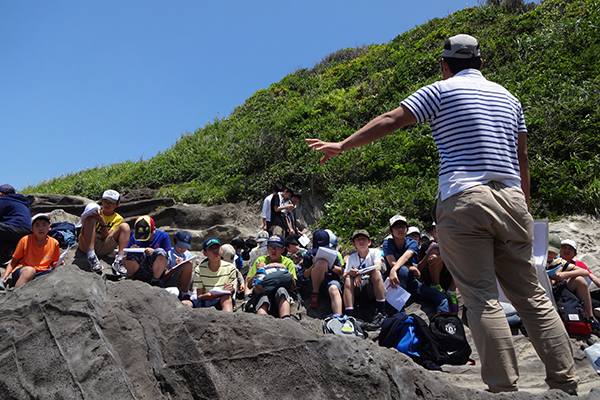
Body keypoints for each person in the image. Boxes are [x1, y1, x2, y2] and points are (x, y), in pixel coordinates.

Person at [306, 34, 578, 394]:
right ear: (481, 64)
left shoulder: (439, 90)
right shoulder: (511, 99)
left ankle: (503, 389)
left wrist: (342, 144)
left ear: (445, 66)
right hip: (512, 199)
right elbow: (522, 157)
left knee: (481, 297)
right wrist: (523, 205)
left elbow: (391, 119)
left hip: (464, 199)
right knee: (533, 296)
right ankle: (565, 382)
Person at [383, 215, 448, 314]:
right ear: (390, 231)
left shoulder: (412, 242)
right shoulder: (387, 244)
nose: (400, 229)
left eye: (403, 226)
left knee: (441, 297)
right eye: (396, 227)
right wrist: (410, 268)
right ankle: (399, 312)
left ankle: (443, 320)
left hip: (411, 282)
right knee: (403, 270)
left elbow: (406, 256)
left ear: (407, 229)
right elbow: (392, 263)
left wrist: (395, 269)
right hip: (394, 282)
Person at [546, 235, 599, 333]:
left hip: (562, 290)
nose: (550, 254)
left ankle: (590, 318)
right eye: (564, 248)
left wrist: (564, 275)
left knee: (579, 280)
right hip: (543, 291)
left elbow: (586, 272)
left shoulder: (560, 262)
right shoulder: (536, 260)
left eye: (553, 251)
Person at [78, 190, 131, 274]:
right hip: (88, 244)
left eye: (111, 202)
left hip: (103, 245)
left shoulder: (118, 218)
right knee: (90, 219)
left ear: (117, 204)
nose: (107, 205)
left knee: (125, 227)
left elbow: (105, 237)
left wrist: (102, 223)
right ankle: (91, 256)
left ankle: (120, 260)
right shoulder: (95, 211)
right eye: (105, 202)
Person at [2, 213, 61, 288]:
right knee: (30, 271)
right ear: (32, 229)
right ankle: (16, 294)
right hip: (24, 271)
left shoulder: (54, 243)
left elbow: (54, 262)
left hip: (43, 272)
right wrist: (5, 276)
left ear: (49, 227)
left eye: (44, 225)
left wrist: (60, 263)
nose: (41, 228)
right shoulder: (25, 240)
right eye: (37, 225)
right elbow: (14, 261)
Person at [245, 234, 297, 319]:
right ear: (267, 248)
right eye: (270, 247)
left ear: (283, 249)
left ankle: (286, 320)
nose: (273, 250)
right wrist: (258, 271)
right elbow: (249, 285)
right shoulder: (260, 260)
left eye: (277, 247)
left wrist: (287, 273)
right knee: (263, 297)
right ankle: (262, 320)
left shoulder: (288, 262)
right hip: (263, 293)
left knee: (282, 291)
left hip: (280, 296)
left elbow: (293, 287)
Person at [342, 229, 386, 327]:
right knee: (348, 279)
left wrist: (360, 274)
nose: (361, 241)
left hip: (371, 286)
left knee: (376, 274)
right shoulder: (351, 258)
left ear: (369, 242)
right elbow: (344, 275)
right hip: (357, 287)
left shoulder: (375, 252)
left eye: (364, 239)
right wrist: (351, 273)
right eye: (358, 240)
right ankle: (350, 315)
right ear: (354, 244)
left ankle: (382, 312)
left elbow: (378, 267)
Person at [183, 238, 236, 311]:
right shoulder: (200, 269)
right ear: (205, 253)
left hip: (222, 300)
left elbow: (232, 291)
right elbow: (199, 296)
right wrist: (207, 296)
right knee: (184, 304)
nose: (215, 250)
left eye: (217, 247)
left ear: (221, 249)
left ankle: (227, 319)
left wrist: (231, 288)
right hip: (205, 301)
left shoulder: (230, 268)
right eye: (211, 248)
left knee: (226, 297)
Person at [302, 229, 344, 315]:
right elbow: (304, 275)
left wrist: (330, 265)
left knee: (334, 288)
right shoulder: (309, 254)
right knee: (321, 262)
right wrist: (314, 265)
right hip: (313, 284)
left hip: (329, 281)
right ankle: (315, 294)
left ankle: (338, 316)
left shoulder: (333, 253)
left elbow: (341, 272)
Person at [124, 215, 171, 287]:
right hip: (138, 270)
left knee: (161, 252)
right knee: (132, 253)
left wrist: (153, 252)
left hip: (154, 270)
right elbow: (124, 258)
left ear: (154, 229)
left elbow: (167, 257)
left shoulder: (163, 236)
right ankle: (130, 277)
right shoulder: (134, 237)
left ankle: (156, 280)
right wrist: (131, 250)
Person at [0, 184, 32, 265]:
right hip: (26, 231)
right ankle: (9, 255)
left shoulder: (3, 201)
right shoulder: (23, 203)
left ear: (0, 194)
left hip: (13, 227)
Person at [162, 230, 195, 300]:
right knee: (187, 265)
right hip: (170, 283)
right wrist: (175, 266)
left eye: (185, 247)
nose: (183, 249)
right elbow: (163, 278)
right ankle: (185, 294)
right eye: (180, 246)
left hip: (184, 282)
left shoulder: (188, 254)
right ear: (174, 243)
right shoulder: (168, 254)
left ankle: (185, 292)